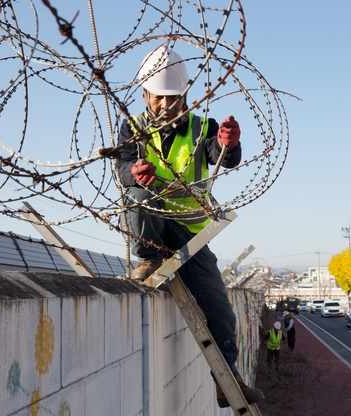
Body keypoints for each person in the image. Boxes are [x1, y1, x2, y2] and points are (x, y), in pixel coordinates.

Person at [116, 46, 264, 407]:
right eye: (158, 96)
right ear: (145, 95)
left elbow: (220, 155)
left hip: (190, 234)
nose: (165, 104)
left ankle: (227, 381)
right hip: (150, 225)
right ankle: (147, 258)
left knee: (219, 307)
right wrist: (135, 172)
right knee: (137, 190)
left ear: (185, 97)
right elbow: (122, 167)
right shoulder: (132, 127)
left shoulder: (202, 127)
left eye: (173, 97)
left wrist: (230, 144)